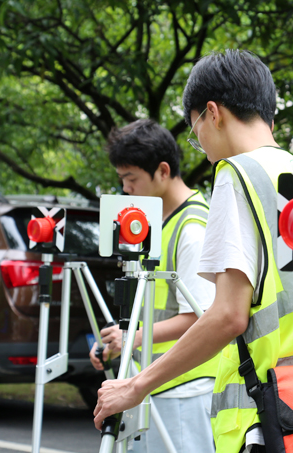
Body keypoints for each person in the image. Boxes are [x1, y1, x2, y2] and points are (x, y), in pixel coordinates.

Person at [94, 50, 293, 452]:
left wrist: (135, 386)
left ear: (212, 112)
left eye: (196, 132)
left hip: (266, 421)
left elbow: (228, 315)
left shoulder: (238, 174)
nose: (201, 146)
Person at [90, 119, 217, 453]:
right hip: (159, 386)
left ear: (162, 171)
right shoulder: (160, 223)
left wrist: (132, 339)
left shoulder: (192, 229)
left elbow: (200, 317)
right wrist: (122, 343)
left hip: (184, 390)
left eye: (131, 179)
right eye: (122, 179)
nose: (126, 189)